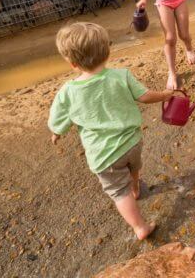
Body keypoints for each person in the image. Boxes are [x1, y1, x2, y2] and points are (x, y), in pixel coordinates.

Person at [48, 22, 175, 240]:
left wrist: (56, 132)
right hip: (132, 142)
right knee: (133, 167)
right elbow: (145, 96)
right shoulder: (121, 76)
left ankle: (140, 227)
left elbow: (58, 120)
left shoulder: (67, 92)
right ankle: (135, 187)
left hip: (104, 155)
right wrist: (165, 95)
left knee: (118, 192)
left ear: (72, 63)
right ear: (107, 51)